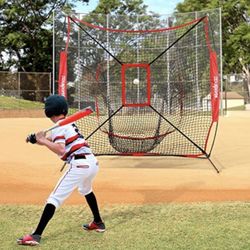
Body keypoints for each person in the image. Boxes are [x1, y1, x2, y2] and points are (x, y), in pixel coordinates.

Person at [17, 95, 105, 246]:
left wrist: (43, 140)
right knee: (86, 190)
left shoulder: (60, 126)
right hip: (92, 163)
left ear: (49, 111)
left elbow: (60, 149)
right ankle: (98, 222)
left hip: (79, 165)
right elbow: (52, 141)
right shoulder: (66, 124)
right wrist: (37, 140)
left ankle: (36, 235)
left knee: (54, 198)